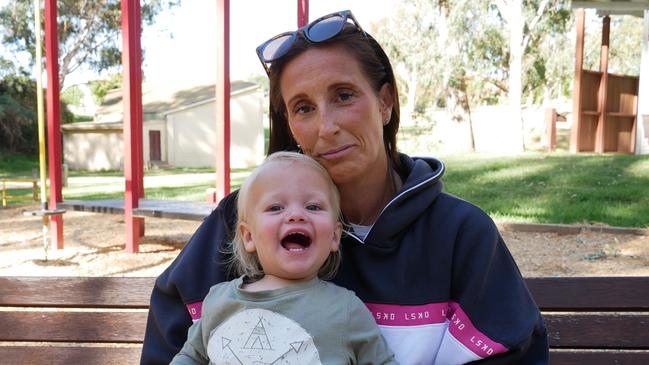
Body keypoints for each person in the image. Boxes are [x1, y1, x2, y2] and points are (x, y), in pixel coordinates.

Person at [142, 9, 549, 365]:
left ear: (385, 101)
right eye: (303, 107)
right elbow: (175, 339)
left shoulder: (460, 234)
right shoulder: (244, 219)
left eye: (344, 95)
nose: (327, 126)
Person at [169, 152, 397, 364]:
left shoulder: (346, 309)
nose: (296, 215)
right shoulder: (219, 300)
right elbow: (190, 356)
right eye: (276, 207)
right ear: (249, 236)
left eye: (313, 206)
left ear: (335, 236)